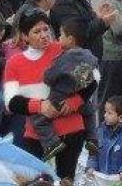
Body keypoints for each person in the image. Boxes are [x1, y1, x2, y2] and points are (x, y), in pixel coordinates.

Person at [4, 11, 96, 179]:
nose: (44, 35)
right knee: (40, 185)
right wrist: (40, 106)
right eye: (37, 31)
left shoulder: (65, 49)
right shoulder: (14, 63)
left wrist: (74, 101)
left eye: (46, 29)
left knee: (66, 183)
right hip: (37, 134)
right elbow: (10, 102)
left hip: (71, 128)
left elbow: (93, 79)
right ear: (25, 36)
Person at [29, 19, 99, 160]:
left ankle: (52, 143)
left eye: (61, 35)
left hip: (59, 96)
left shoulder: (66, 57)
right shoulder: (89, 55)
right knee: (90, 112)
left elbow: (51, 75)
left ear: (70, 39)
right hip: (79, 95)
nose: (58, 38)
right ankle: (92, 138)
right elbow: (94, 75)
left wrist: (47, 77)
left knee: (38, 119)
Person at [49, 0, 117, 61]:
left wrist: (100, 17)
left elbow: (91, 25)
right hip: (75, 61)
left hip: (88, 59)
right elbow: (77, 34)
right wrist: (102, 22)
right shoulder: (63, 3)